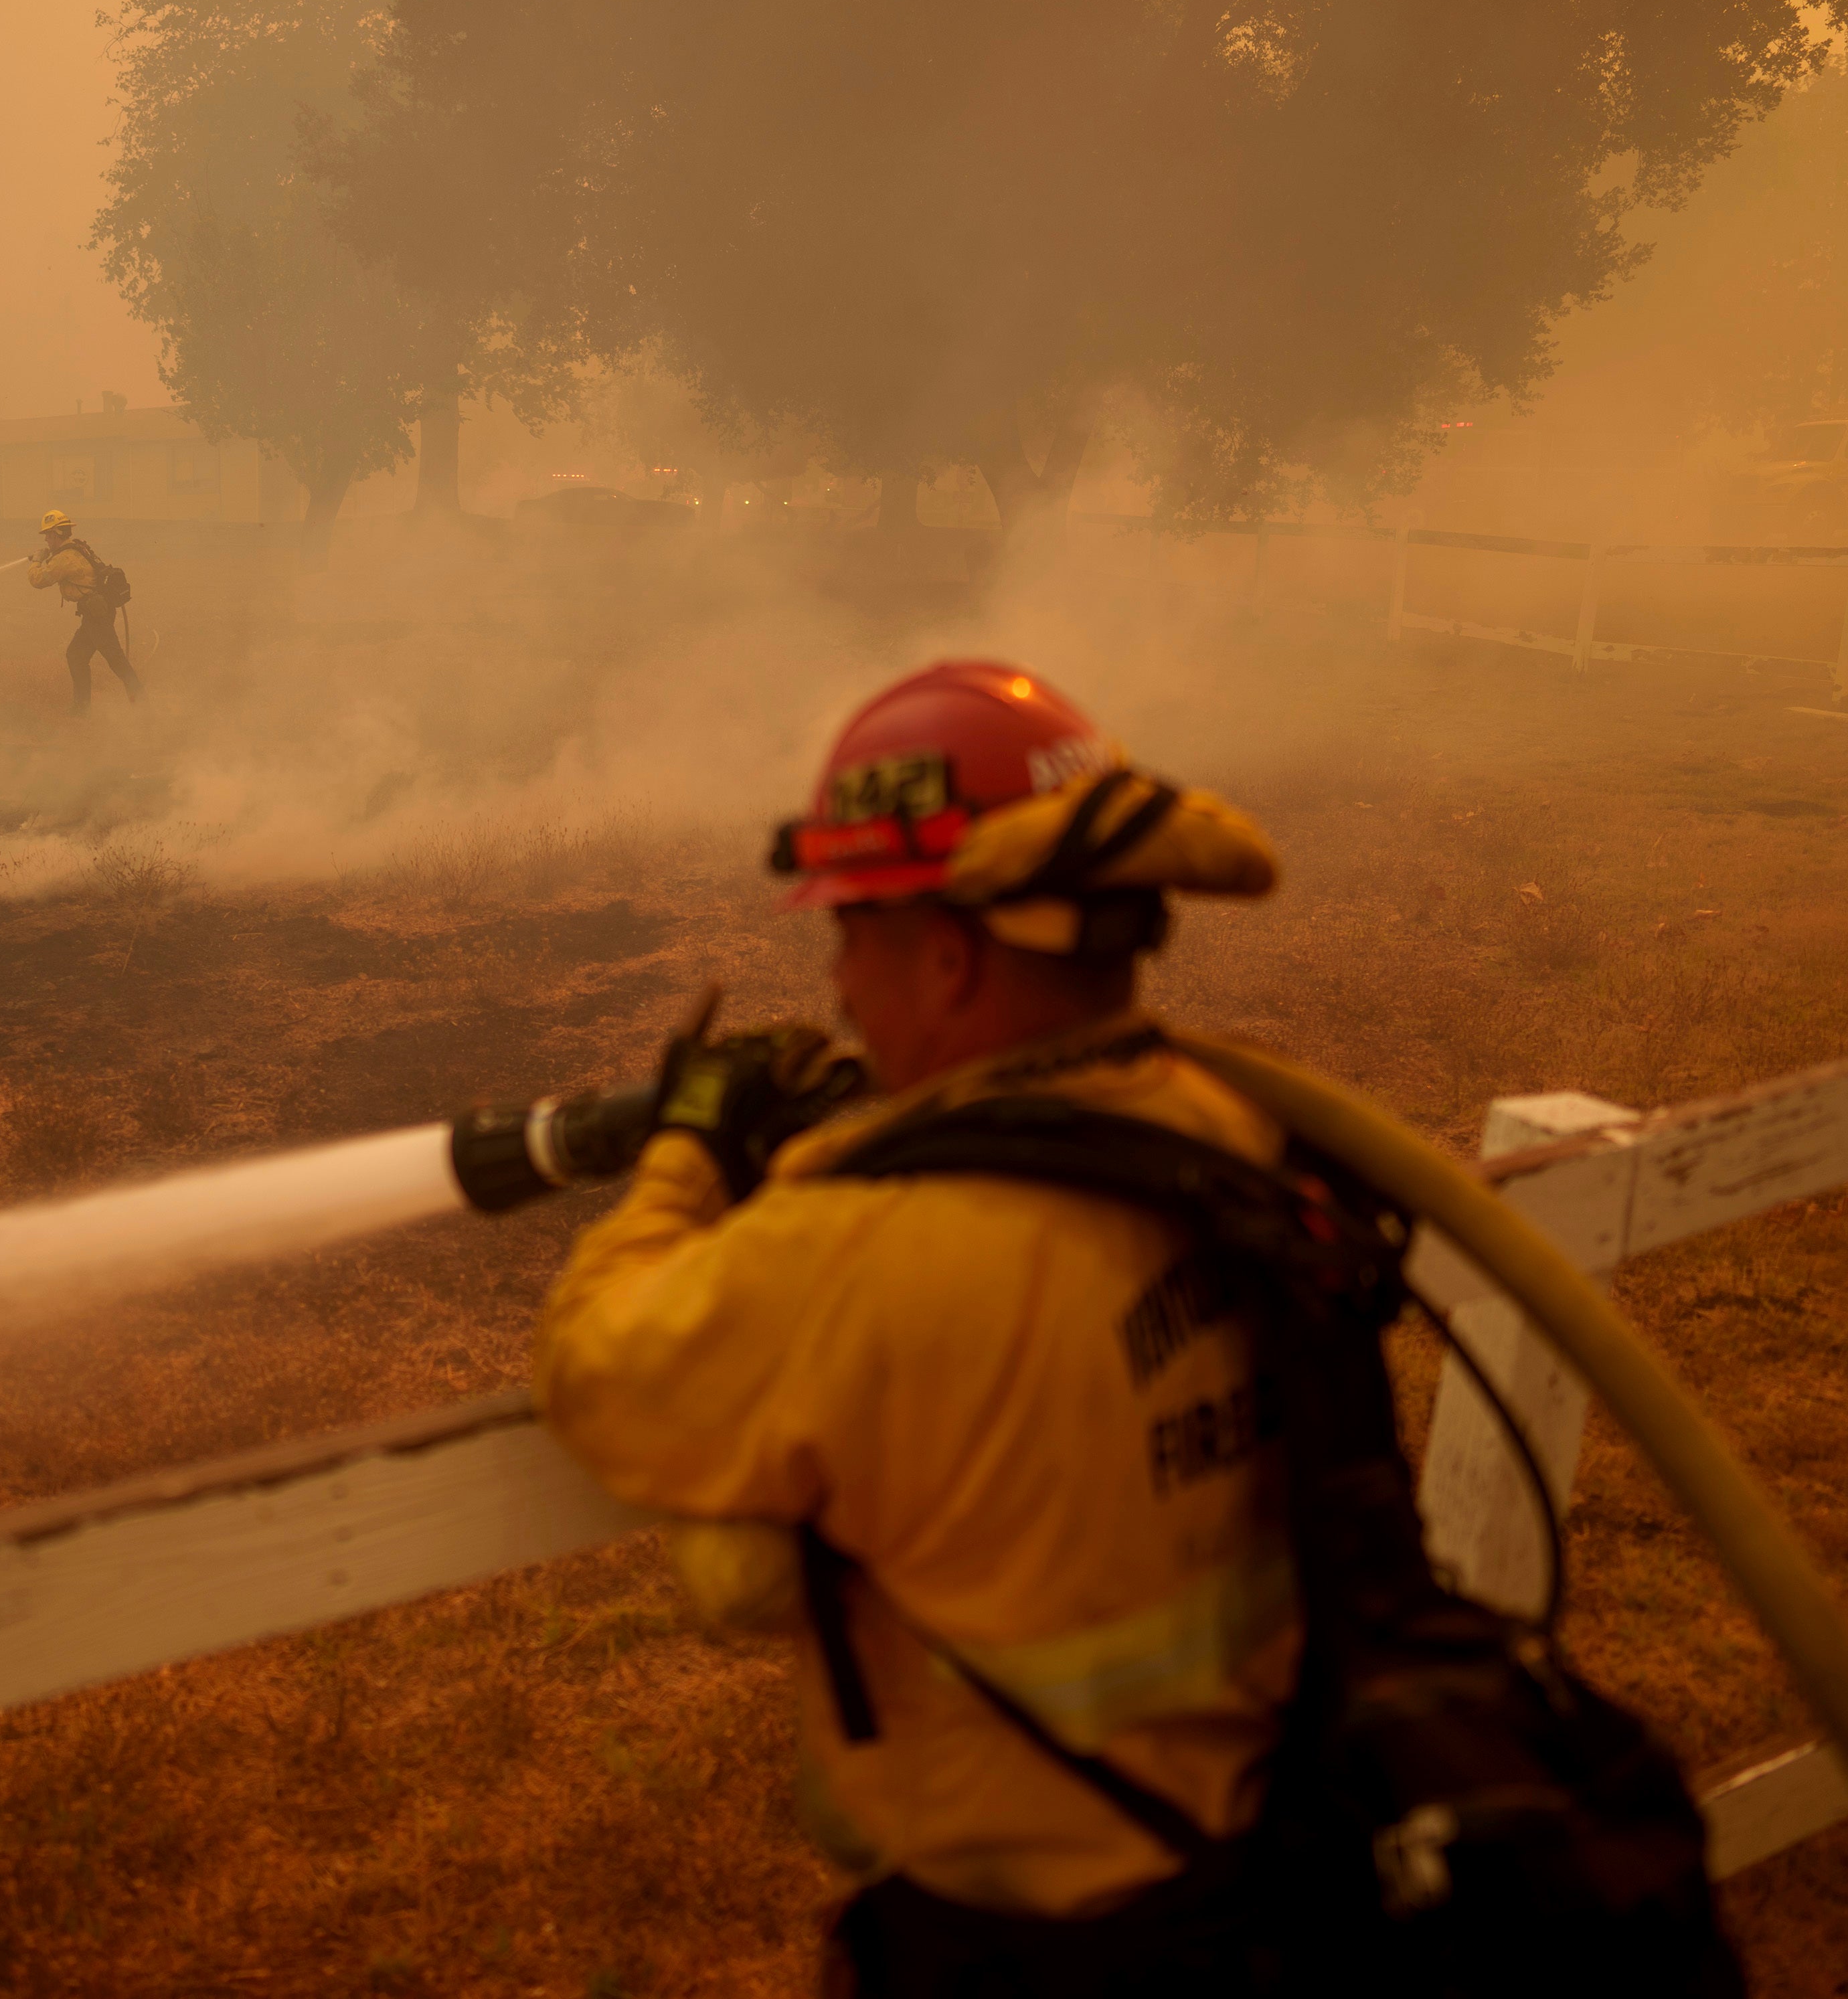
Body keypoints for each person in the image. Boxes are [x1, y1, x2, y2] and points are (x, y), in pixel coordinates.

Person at [532, 659, 1288, 1998]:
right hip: (1275, 1875)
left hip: (1022, 1950)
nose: (835, 988)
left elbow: (602, 1364)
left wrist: (691, 1152)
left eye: (849, 939)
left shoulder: (866, 1251)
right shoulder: (1224, 1131)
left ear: (947, 958)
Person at [26, 509, 144, 713]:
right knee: (76, 656)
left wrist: (37, 560)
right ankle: (82, 709)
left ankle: (142, 707)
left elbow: (38, 580)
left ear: (56, 534)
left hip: (96, 616)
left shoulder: (65, 559)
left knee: (117, 662)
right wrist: (49, 556)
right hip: (96, 612)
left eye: (47, 535)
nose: (46, 539)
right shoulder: (74, 548)